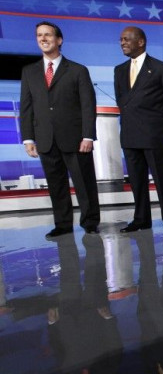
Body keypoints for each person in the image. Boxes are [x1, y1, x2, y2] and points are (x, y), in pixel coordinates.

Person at [20, 21, 100, 240]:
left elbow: (87, 105)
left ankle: (90, 222)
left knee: (84, 183)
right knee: (56, 185)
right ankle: (63, 224)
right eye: (39, 35)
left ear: (59, 40)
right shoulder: (29, 72)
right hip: (45, 138)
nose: (43, 39)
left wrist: (88, 135)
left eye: (47, 35)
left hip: (75, 139)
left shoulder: (77, 70)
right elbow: (26, 107)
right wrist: (28, 138)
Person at [114, 26, 163, 233]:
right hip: (130, 136)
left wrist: (161, 126)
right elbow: (122, 101)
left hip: (155, 136)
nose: (122, 43)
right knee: (136, 181)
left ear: (141, 42)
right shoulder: (119, 70)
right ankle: (141, 219)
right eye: (121, 39)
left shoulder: (161, 68)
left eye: (126, 39)